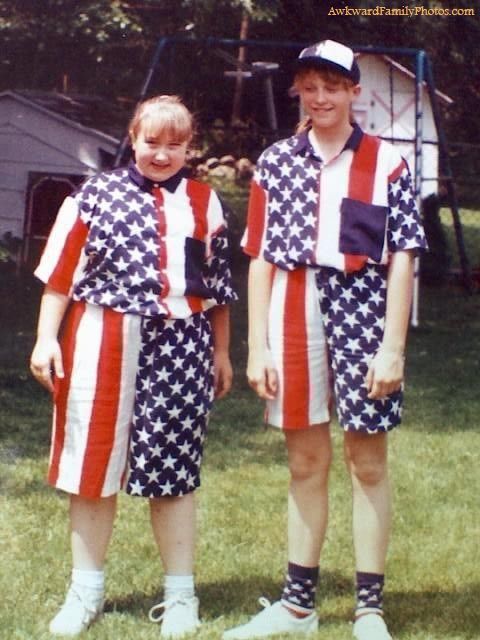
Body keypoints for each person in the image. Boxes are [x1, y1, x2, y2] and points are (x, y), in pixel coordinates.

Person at [222, 40, 427, 640]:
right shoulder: (276, 162)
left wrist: (393, 346)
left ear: (353, 91)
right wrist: (257, 346)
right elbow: (258, 258)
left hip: (364, 316)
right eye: (310, 87)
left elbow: (403, 259)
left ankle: (369, 609)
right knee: (305, 461)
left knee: (367, 461)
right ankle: (298, 607)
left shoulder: (386, 163)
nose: (321, 97)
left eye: (333, 86)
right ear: (299, 93)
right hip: (292, 311)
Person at [30, 94, 237, 638]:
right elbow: (59, 277)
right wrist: (45, 339)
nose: (162, 155)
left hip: (181, 346)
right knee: (92, 471)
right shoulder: (94, 195)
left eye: (175, 145)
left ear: (189, 148)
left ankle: (181, 596)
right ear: (133, 137)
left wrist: (220, 352)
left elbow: (216, 291)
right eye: (152, 142)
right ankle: (85, 592)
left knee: (172, 473)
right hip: (102, 338)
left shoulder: (204, 203)